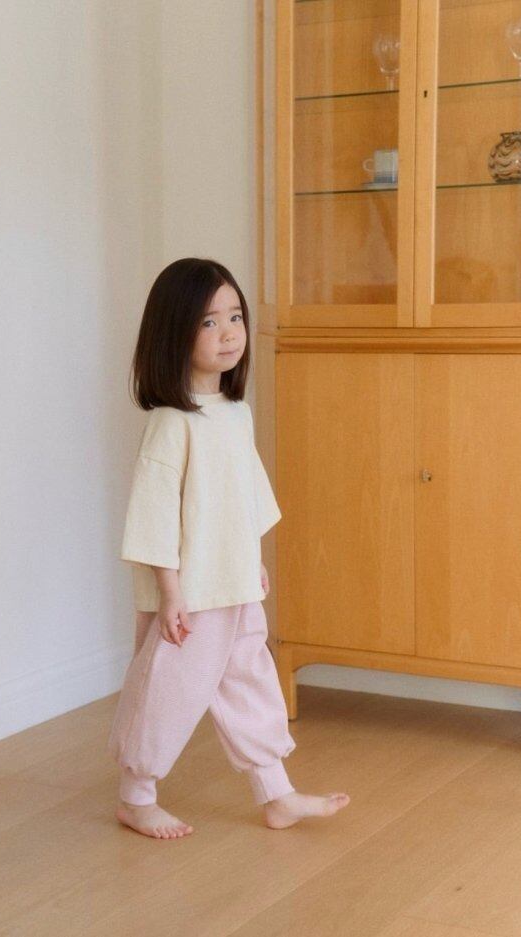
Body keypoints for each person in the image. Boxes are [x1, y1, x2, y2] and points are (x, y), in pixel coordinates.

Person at [107, 258, 350, 839]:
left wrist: (252, 561)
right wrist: (169, 593)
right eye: (209, 322)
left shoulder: (235, 415)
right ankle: (136, 797)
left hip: (233, 584)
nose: (229, 333)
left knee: (250, 682)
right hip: (190, 596)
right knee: (167, 691)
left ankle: (277, 794)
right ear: (175, 334)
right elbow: (154, 516)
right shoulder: (172, 424)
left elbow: (243, 498)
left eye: (235, 317)